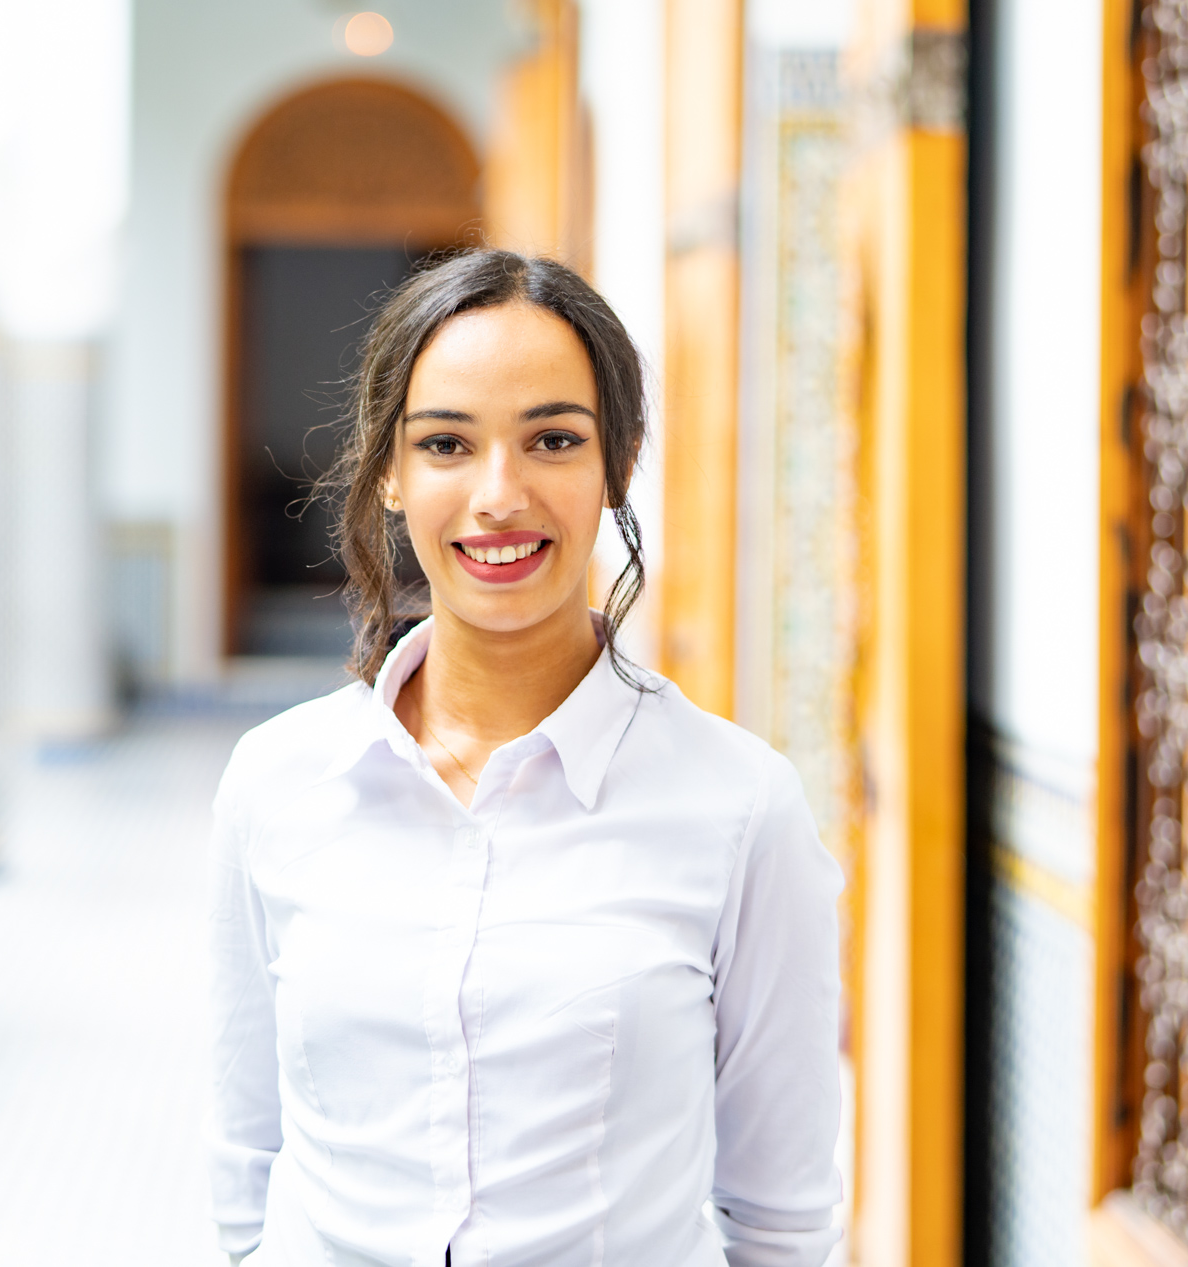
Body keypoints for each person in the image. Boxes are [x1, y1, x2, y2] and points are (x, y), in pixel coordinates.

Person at [207, 249, 843, 1267]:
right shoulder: (276, 785)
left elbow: (780, 1221)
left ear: (618, 461)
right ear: (388, 473)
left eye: (552, 438)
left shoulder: (740, 808)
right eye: (447, 444)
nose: (499, 495)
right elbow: (247, 1157)